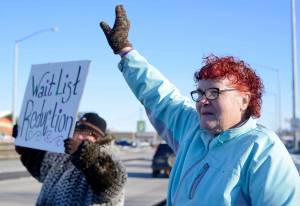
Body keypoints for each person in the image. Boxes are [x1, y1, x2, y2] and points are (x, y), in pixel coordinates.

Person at [100, 5, 300, 206]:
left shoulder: (262, 150)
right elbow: (159, 95)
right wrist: (125, 50)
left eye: (214, 92)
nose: (203, 101)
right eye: (201, 93)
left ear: (244, 100)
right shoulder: (192, 129)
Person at [13, 112, 127, 206]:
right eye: (77, 129)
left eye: (85, 131)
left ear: (97, 137)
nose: (77, 135)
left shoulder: (109, 159)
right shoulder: (64, 156)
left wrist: (86, 153)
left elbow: (111, 183)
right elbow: (40, 166)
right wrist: (26, 142)